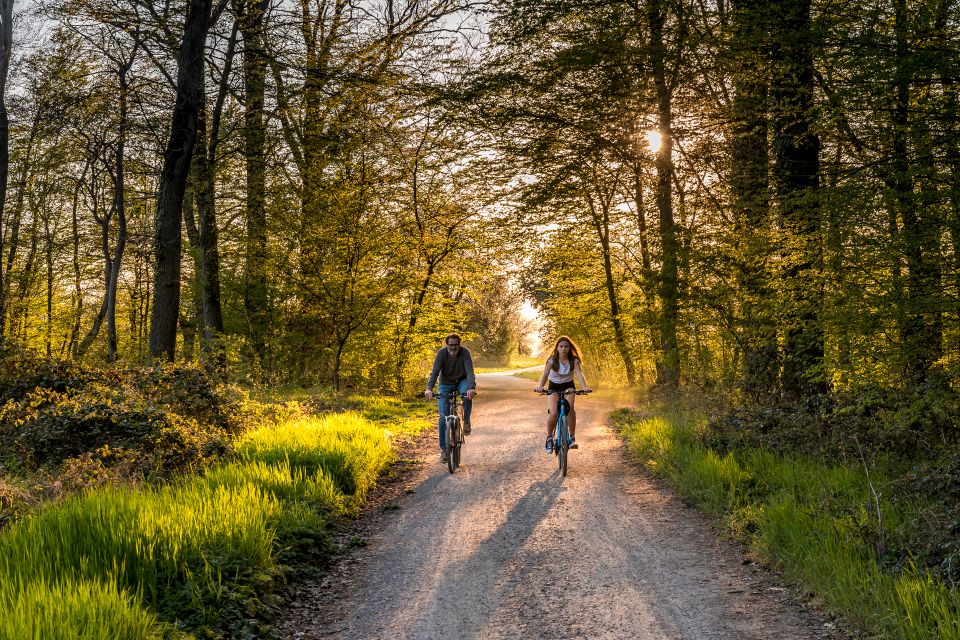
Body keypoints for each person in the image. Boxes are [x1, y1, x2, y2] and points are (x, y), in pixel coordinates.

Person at [425, 334, 477, 462]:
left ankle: (466, 421)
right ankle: (444, 450)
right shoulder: (441, 354)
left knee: (466, 394)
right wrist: (429, 389)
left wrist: (471, 387)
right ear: (446, 344)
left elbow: (470, 371)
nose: (453, 347)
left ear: (459, 344)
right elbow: (435, 372)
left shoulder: (465, 353)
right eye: (451, 344)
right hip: (445, 383)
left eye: (456, 345)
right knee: (443, 418)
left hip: (462, 381)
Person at [535, 336, 591, 452]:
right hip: (553, 386)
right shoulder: (552, 360)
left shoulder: (574, 360)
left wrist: (584, 387)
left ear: (570, 348)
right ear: (557, 348)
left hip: (568, 385)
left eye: (566, 346)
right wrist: (540, 386)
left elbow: (579, 374)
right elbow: (545, 374)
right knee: (554, 413)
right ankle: (549, 438)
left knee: (570, 408)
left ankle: (571, 438)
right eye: (561, 346)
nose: (564, 349)